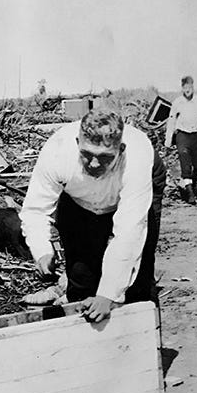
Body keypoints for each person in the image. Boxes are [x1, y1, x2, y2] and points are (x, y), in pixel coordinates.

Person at [20, 108, 155, 323]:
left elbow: (129, 232)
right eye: (87, 155)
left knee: (138, 279)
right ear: (77, 142)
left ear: (121, 149)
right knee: (82, 275)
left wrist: (107, 294)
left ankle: (138, 343)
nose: (93, 164)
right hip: (77, 200)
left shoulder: (137, 160)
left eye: (104, 158)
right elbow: (36, 209)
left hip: (125, 197)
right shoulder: (57, 152)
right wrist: (42, 250)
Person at [165, 75, 197, 204]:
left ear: (193, 87)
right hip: (182, 135)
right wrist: (168, 139)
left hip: (196, 135)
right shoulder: (178, 102)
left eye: (189, 87)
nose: (187, 90)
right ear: (182, 88)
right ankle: (190, 192)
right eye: (185, 87)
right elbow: (171, 120)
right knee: (184, 158)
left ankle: (189, 184)